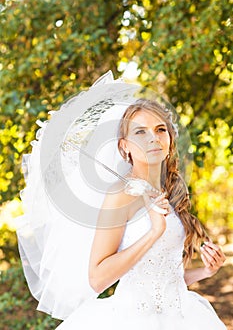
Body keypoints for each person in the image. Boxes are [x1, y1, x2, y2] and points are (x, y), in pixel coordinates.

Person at [53, 98, 226, 329]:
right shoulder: (120, 196)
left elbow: (165, 279)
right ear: (124, 146)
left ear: (170, 139)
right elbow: (97, 279)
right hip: (132, 319)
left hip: (183, 317)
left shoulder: (170, 191)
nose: (153, 138)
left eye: (160, 129)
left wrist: (206, 271)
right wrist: (154, 232)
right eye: (140, 132)